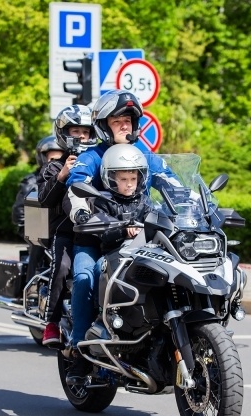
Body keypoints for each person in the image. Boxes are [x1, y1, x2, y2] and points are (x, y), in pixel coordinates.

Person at [62, 90, 177, 381]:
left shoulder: (145, 156)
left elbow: (173, 183)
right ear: (103, 125)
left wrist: (198, 206)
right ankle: (78, 349)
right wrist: (81, 212)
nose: (124, 125)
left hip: (139, 236)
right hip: (96, 237)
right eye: (117, 121)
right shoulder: (92, 156)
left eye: (127, 119)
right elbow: (76, 186)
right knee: (85, 277)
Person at [63, 144, 152, 383]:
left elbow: (159, 217)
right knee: (87, 277)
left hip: (138, 256)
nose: (129, 183)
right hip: (106, 251)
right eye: (123, 178)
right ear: (111, 178)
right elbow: (102, 231)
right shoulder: (103, 199)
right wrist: (121, 230)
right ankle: (80, 348)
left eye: (133, 177)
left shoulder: (144, 201)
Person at [37, 105, 96, 347]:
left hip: (97, 232)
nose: (81, 136)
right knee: (62, 267)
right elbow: (44, 199)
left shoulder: (97, 162)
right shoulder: (53, 166)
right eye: (75, 131)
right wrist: (62, 174)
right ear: (63, 133)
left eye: (85, 131)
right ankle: (51, 322)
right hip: (66, 232)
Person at [12, 136, 63, 282]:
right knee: (38, 237)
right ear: (42, 158)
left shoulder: (67, 177)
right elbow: (19, 213)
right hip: (36, 228)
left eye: (60, 159)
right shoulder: (32, 181)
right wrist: (27, 226)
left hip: (58, 226)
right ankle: (32, 286)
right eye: (52, 159)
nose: (56, 163)